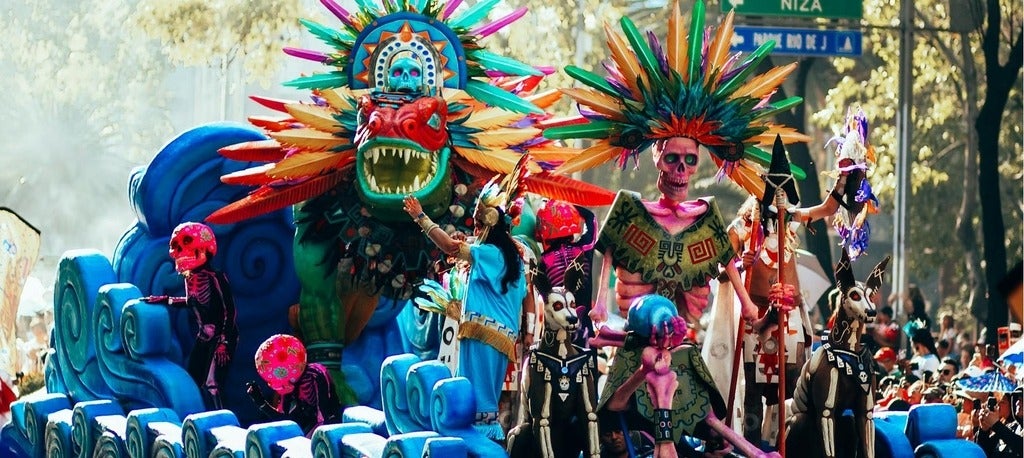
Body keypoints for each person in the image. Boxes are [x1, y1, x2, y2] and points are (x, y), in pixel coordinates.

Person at [403, 178, 527, 440]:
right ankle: (485, 441)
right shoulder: (509, 255)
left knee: (479, 401)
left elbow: (449, 246)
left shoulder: (491, 253)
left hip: (484, 334)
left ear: (489, 225)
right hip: (496, 336)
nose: (476, 230)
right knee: (480, 399)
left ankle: (484, 445)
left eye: (479, 225)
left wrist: (421, 217)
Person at [141, 222, 238, 410]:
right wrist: (164, 300)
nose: (176, 253)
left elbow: (229, 309)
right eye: (176, 248)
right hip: (204, 336)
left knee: (213, 383)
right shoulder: (191, 278)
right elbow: (190, 302)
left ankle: (224, 419)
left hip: (219, 336)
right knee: (194, 379)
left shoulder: (215, 277)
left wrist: (224, 342)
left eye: (183, 246)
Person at [247, 334, 340, 436]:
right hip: (305, 433)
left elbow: (327, 417)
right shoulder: (291, 385)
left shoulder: (314, 374)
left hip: (325, 432)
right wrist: (261, 402)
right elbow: (287, 423)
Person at [974, 386, 1023, 457]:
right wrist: (984, 430)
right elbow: (983, 452)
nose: (1018, 403)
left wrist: (996, 425)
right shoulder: (1011, 427)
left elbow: (1020, 446)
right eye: (1018, 399)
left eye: (1022, 400)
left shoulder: (1002, 429)